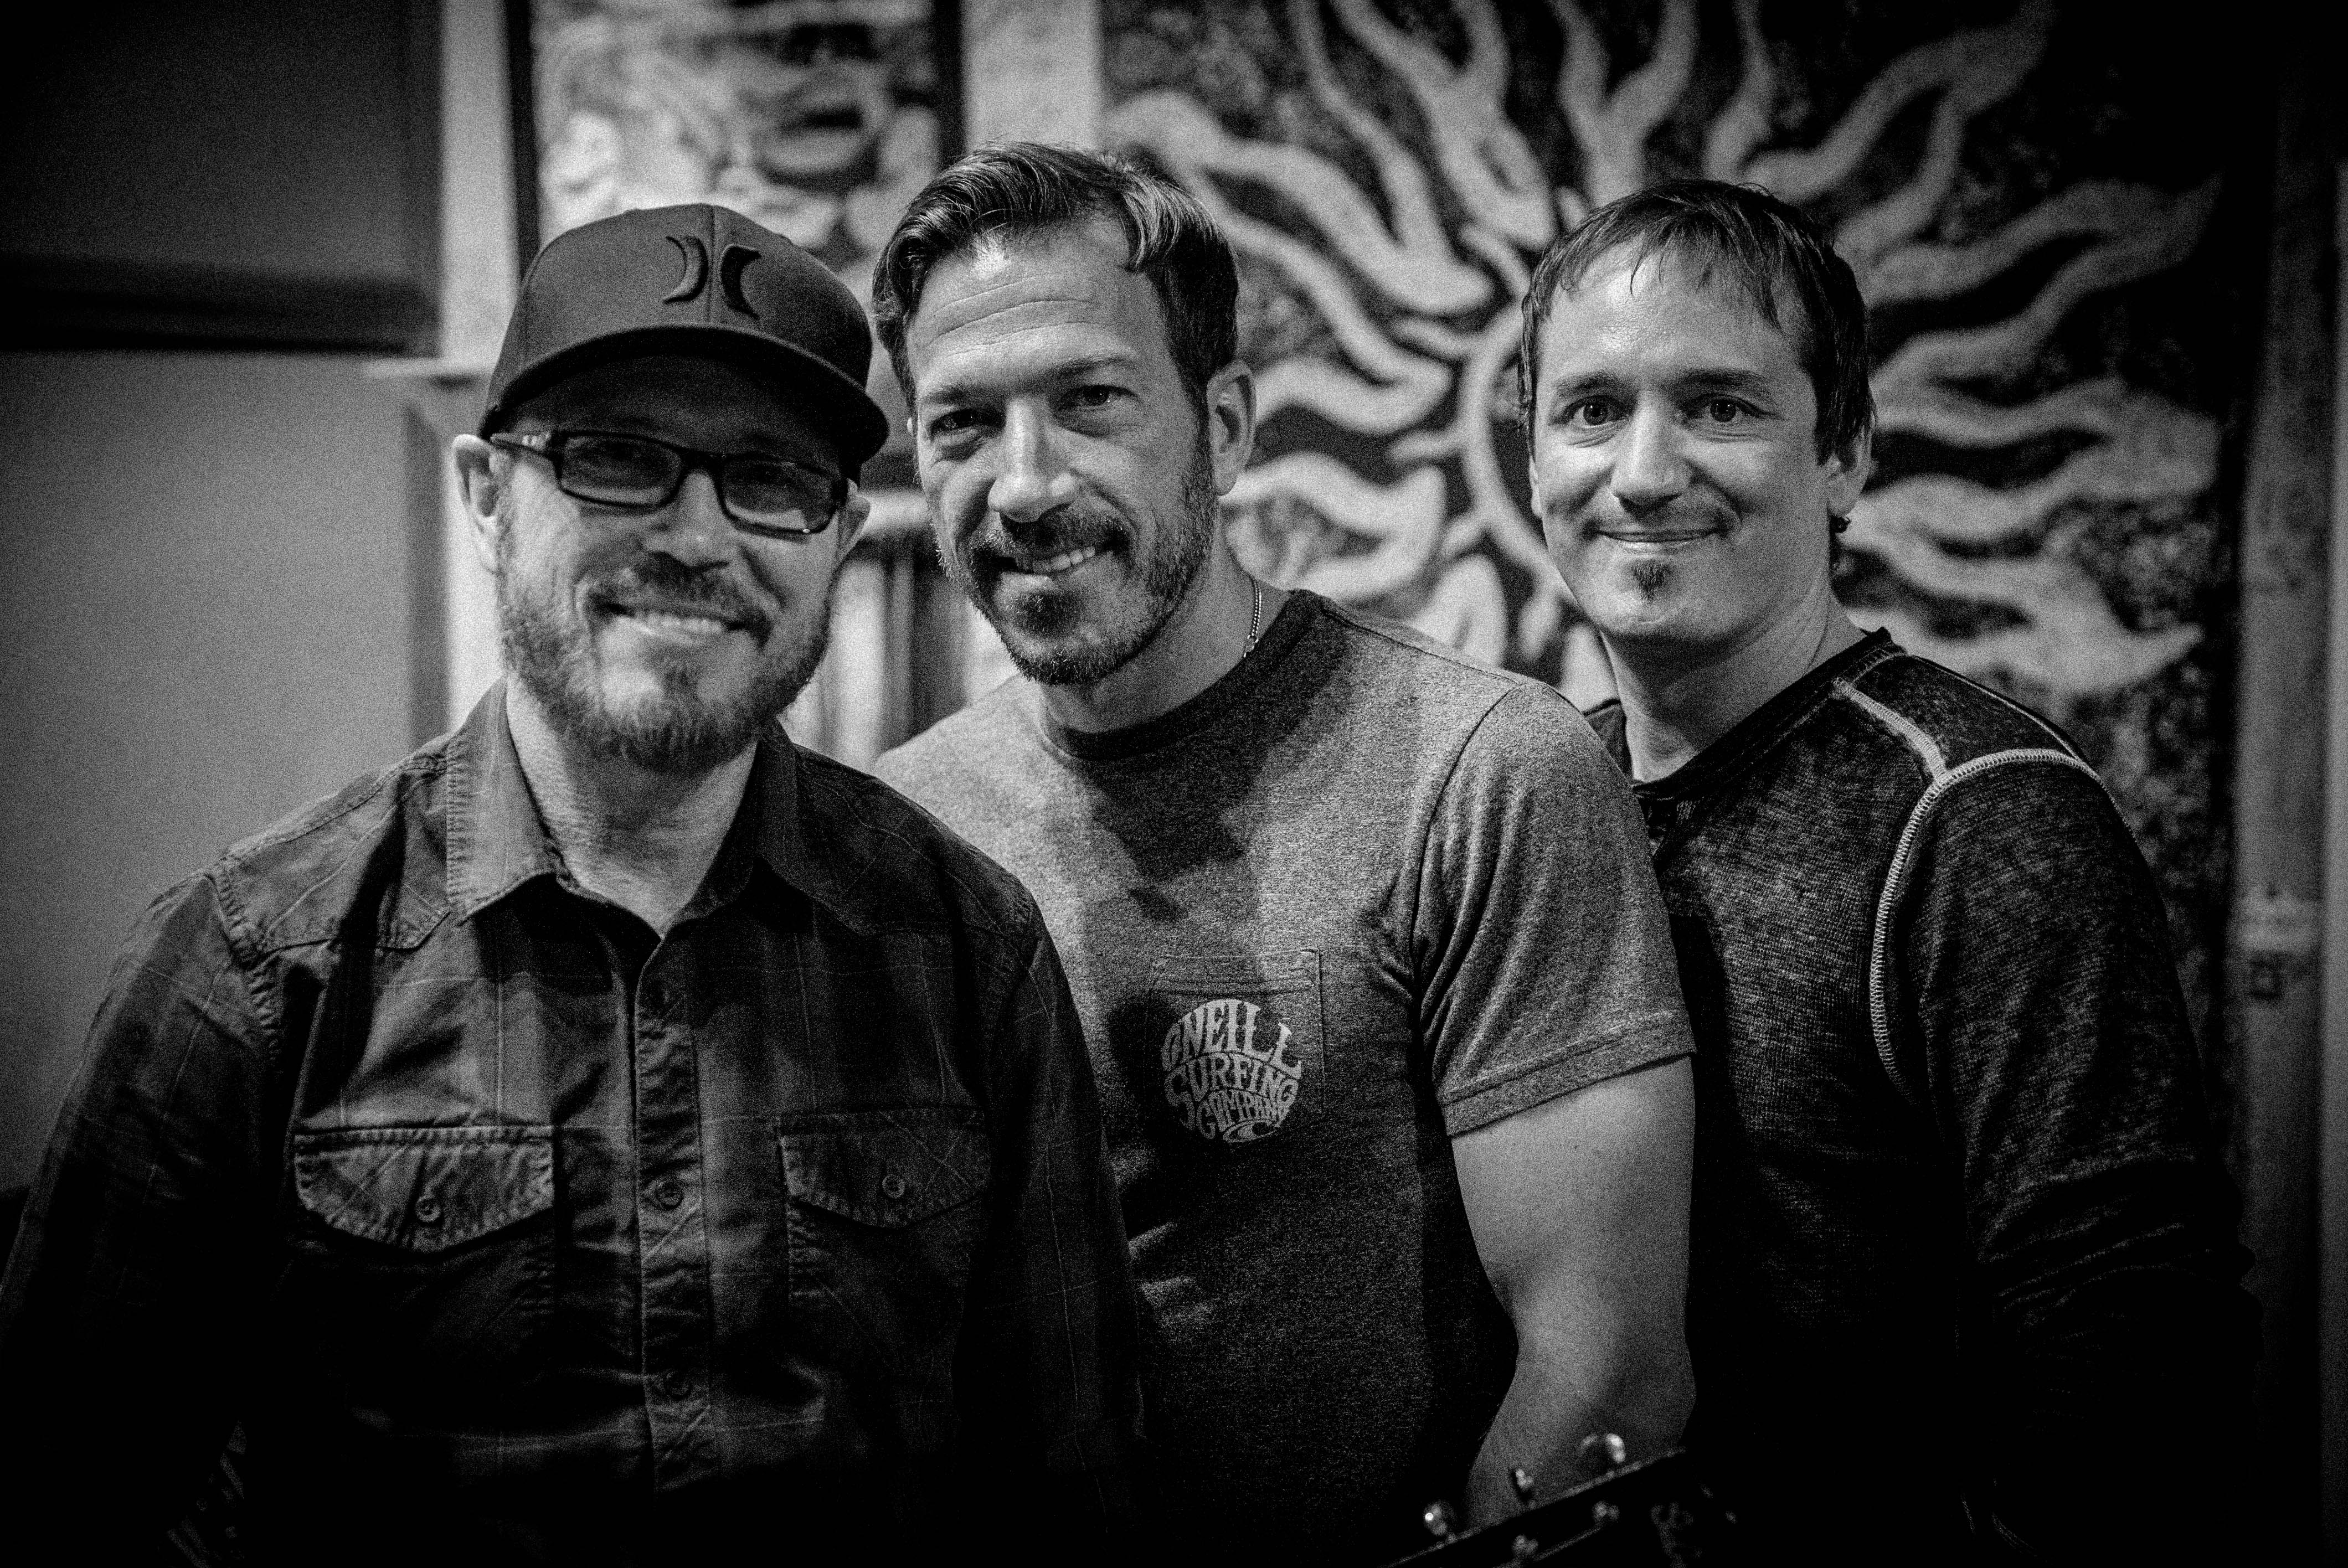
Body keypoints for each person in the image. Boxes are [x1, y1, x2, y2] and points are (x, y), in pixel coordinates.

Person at [0, 203, 1140, 1564]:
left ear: (837, 534)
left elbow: (1063, 1493)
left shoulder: (964, 948)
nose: (697, 538)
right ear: (488, 496)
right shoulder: (256, 964)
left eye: (768, 478)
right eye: (616, 458)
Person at [867, 144, 1698, 1565]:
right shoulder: (901, 828)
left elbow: (1607, 1377)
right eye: (962, 424)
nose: (1023, 484)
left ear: (1224, 427)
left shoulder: (1480, 771)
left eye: (1089, 402)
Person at [1519, 178, 2256, 1560]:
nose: (1643, 471)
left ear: (1844, 454)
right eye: (1592, 410)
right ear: (1531, 458)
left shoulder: (1979, 813)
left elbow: (2129, 1362)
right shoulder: (1541, 791)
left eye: (1719, 406)